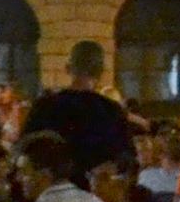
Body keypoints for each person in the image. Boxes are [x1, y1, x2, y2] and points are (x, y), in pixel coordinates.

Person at [24, 41, 133, 177]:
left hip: (53, 186)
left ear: (68, 68)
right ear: (100, 71)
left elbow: (27, 148)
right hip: (95, 189)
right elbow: (125, 157)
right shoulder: (111, 110)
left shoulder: (45, 105)